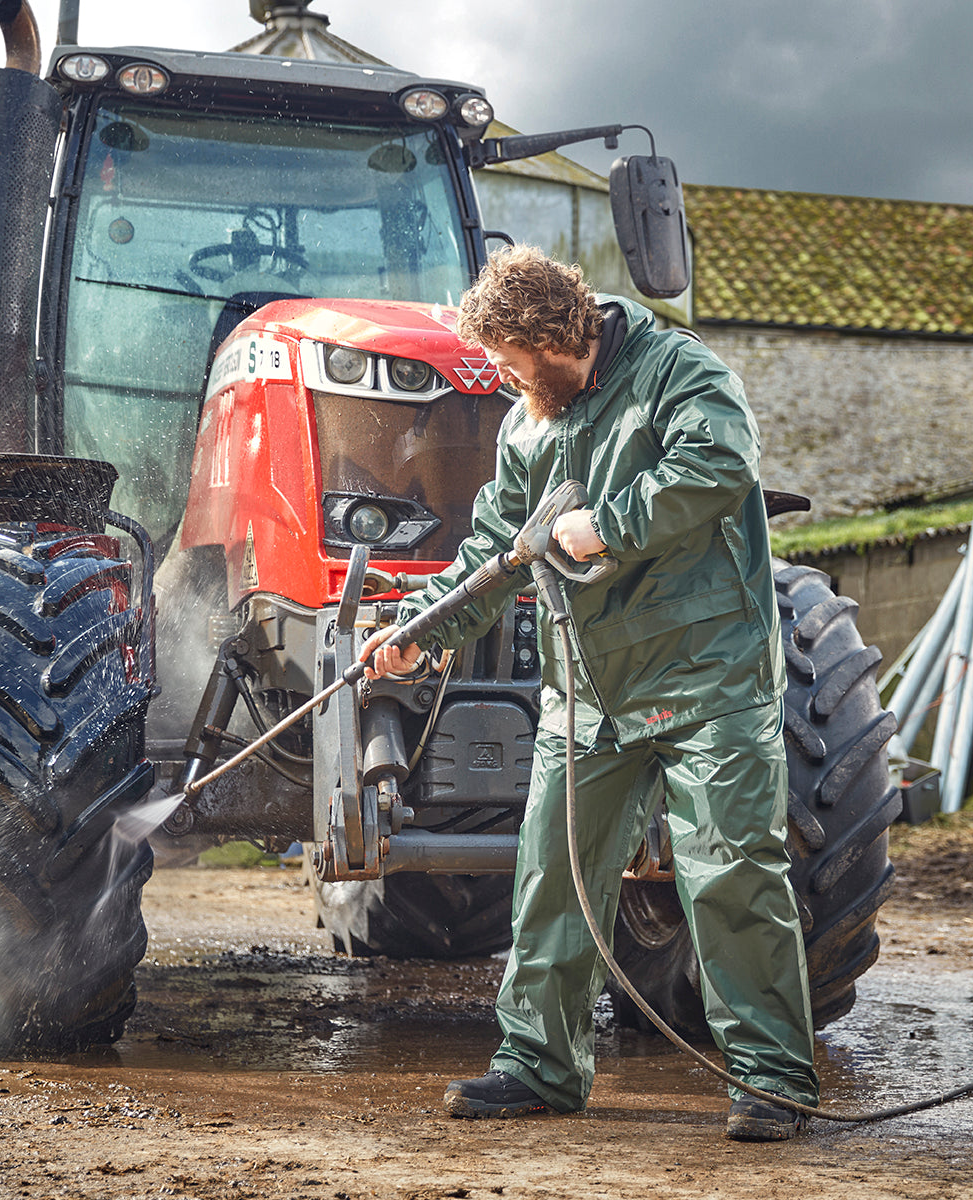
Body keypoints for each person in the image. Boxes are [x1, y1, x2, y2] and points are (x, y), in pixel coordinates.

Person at [361, 245, 819, 1141]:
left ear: (546, 340)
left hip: (706, 677)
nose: (498, 377)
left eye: (504, 358)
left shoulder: (679, 374)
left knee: (729, 873)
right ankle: (538, 1066)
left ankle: (772, 1079)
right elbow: (492, 550)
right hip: (591, 694)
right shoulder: (529, 427)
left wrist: (604, 523)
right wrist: (416, 632)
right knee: (551, 879)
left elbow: (717, 467)